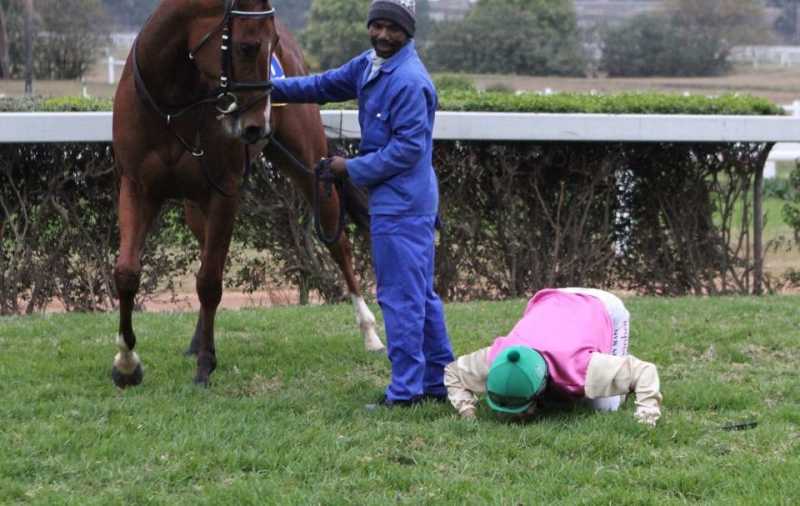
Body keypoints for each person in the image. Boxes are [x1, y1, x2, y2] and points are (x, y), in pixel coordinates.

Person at [270, 0, 454, 407]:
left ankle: (405, 393)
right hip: (401, 202)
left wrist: (348, 168)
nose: (383, 35)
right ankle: (439, 381)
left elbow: (407, 150)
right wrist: (267, 87)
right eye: (377, 25)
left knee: (401, 298)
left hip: (403, 206)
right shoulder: (370, 64)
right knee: (420, 295)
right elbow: (321, 86)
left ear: (409, 32)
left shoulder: (409, 81)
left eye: (393, 28)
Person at [444, 288, 663, 426]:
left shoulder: (580, 367)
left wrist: (646, 418)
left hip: (602, 305)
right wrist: (467, 410)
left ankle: (618, 364)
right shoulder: (498, 357)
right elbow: (453, 371)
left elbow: (645, 371)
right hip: (553, 299)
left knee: (604, 406)